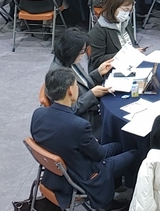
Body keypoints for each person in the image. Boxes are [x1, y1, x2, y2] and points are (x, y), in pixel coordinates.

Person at [31, 67, 136, 211]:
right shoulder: (78, 125)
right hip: (84, 175)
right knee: (134, 154)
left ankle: (113, 185)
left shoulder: (38, 115)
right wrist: (93, 142)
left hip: (61, 170)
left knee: (117, 146)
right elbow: (98, 155)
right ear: (70, 91)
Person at [50, 28, 114, 132]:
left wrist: (98, 72)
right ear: (71, 51)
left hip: (93, 111)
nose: (83, 55)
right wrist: (92, 94)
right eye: (81, 52)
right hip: (85, 123)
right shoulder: (58, 74)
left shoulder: (70, 61)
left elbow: (83, 82)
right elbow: (68, 110)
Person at [87, 0, 139, 71]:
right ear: (113, 7)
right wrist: (124, 55)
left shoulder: (126, 22)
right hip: (111, 71)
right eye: (125, 10)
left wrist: (137, 50)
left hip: (129, 65)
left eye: (129, 10)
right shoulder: (99, 31)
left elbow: (133, 43)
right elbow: (97, 61)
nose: (127, 14)